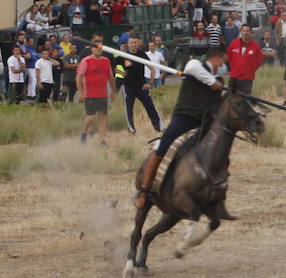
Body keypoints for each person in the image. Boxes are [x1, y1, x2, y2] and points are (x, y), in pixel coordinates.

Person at [131, 47, 228, 213]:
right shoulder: (195, 65)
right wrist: (213, 83)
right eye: (222, 61)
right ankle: (144, 189)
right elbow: (192, 69)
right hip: (184, 118)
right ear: (216, 58)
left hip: (203, 123)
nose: (223, 65)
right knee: (162, 148)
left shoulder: (218, 80)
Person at [116, 35, 162, 135]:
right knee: (129, 109)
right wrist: (122, 72)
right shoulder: (124, 56)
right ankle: (131, 129)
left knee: (150, 107)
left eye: (135, 42)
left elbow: (152, 68)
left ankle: (158, 127)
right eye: (131, 42)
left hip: (141, 86)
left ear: (138, 44)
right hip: (128, 87)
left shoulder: (142, 54)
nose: (133, 44)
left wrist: (150, 83)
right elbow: (112, 67)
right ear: (128, 44)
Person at [77, 39, 114, 145]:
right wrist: (80, 93)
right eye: (96, 48)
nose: (98, 50)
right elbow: (79, 77)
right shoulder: (86, 61)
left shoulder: (106, 61)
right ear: (91, 49)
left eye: (100, 48)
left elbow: (110, 77)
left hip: (103, 93)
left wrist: (112, 91)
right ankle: (84, 132)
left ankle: (102, 139)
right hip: (89, 93)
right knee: (91, 116)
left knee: (103, 116)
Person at [227, 23, 264, 96]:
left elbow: (259, 60)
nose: (245, 33)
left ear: (250, 32)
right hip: (234, 76)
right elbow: (229, 56)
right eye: (244, 31)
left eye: (247, 31)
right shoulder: (234, 43)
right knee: (231, 98)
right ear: (241, 32)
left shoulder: (255, 46)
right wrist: (233, 67)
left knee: (246, 100)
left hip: (248, 77)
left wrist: (252, 68)